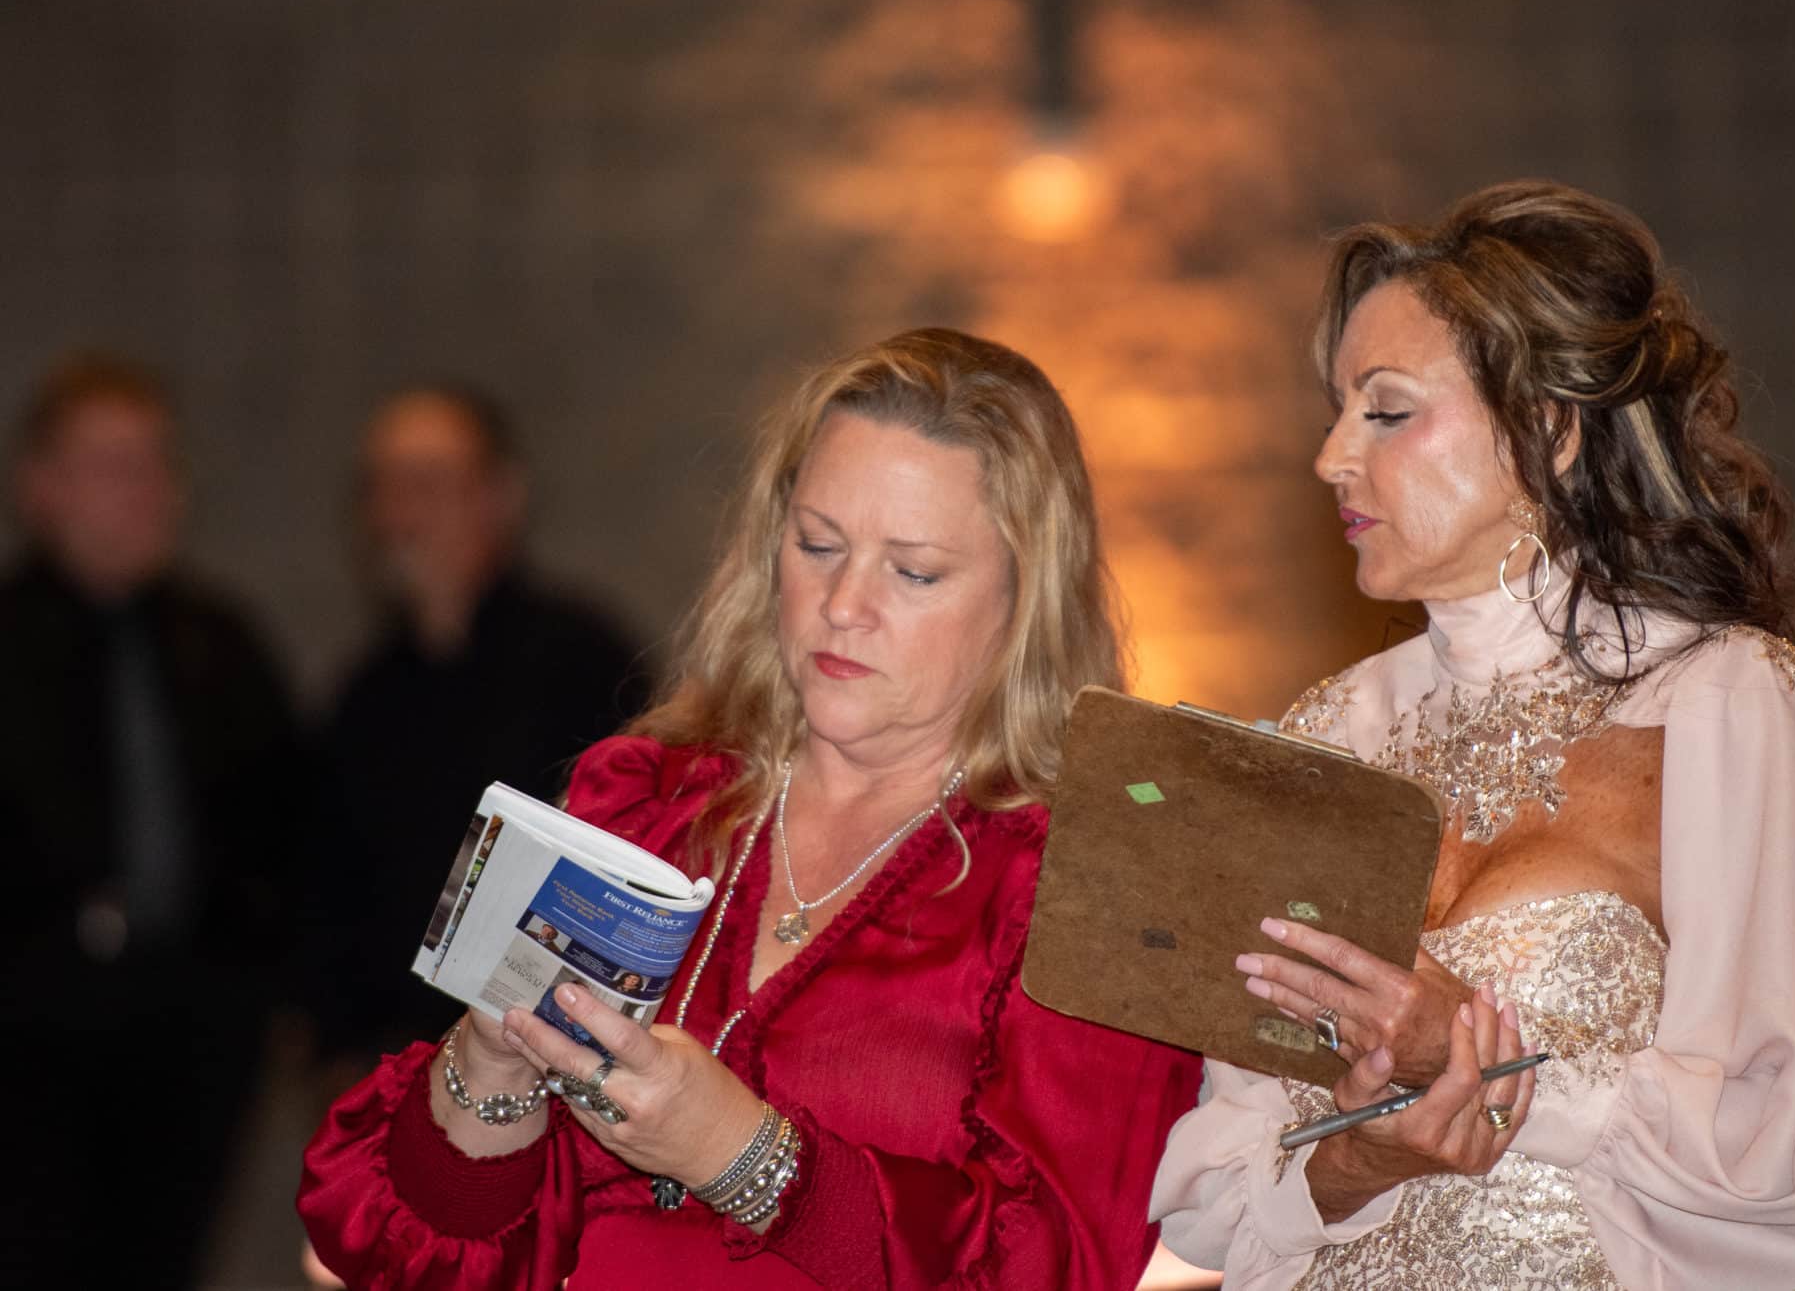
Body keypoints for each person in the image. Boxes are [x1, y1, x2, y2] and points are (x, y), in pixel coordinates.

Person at [300, 328, 1204, 1288]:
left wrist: (743, 1153)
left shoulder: (1087, 887)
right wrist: (491, 1066)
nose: (843, 603)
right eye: (818, 544)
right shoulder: (648, 803)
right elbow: (433, 1248)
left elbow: (1054, 1262)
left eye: (913, 570)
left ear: (1025, 600)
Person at [1149, 182, 1795, 1287]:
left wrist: (1487, 1070)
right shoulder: (1326, 731)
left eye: (1386, 412)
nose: (1332, 457)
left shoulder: (1725, 704)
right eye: (1337, 412)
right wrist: (1355, 1160)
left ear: (1547, 429)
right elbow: (1216, 1192)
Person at [0, 352, 306, 1287]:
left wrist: (256, 992)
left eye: (155, 461)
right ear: (41, 487)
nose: (144, 489)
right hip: (27, 1042)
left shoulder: (221, 644)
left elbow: (290, 830)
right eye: (112, 464)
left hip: (192, 1033)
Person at [311, 385, 648, 1060]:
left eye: (427, 485)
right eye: (383, 489)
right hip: (395, 1057)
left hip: (545, 1049)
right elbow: (331, 898)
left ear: (502, 496)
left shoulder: (587, 661)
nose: (401, 516)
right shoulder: (362, 695)